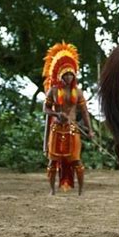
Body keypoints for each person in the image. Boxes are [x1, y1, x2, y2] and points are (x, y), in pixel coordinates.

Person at [42, 42, 94, 195]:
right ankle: (52, 190)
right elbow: (44, 109)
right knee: (52, 162)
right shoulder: (53, 91)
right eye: (66, 74)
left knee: (77, 161)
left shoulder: (78, 92)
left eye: (71, 74)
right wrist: (56, 114)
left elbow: (84, 112)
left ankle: (81, 190)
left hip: (72, 130)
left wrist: (90, 130)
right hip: (56, 129)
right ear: (61, 75)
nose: (69, 77)